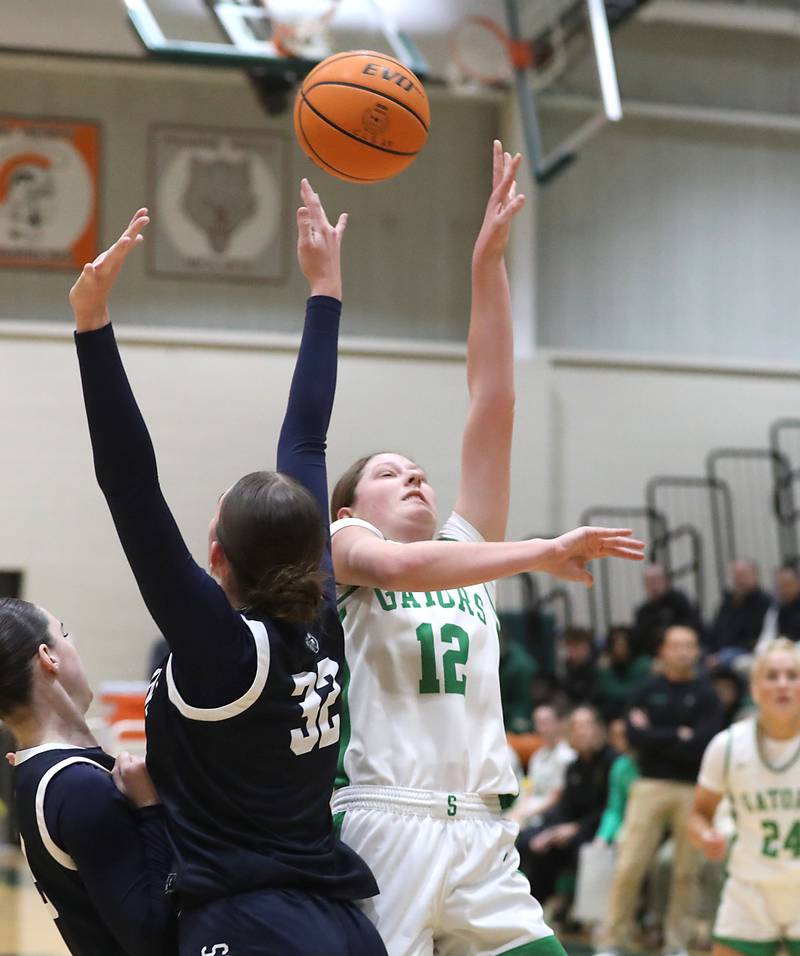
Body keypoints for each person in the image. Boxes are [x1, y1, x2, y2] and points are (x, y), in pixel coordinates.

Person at [329, 141, 644, 956]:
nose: (415, 476)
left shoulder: (468, 549)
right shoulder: (344, 549)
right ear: (350, 502)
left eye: (420, 471)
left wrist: (488, 261)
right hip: (384, 823)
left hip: (481, 832)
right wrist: (538, 551)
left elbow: (494, 399)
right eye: (391, 472)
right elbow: (400, 568)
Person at [70, 191, 386, 955]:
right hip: (344, 924)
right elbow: (306, 440)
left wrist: (92, 323)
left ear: (217, 559)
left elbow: (131, 484)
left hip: (251, 924)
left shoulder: (224, 651)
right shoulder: (317, 621)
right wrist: (324, 290)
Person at [0, 598, 174, 956]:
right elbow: (152, 939)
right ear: (49, 657)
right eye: (65, 634)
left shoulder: (38, 772)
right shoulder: (79, 787)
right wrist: (151, 809)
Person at [594, 625, 723, 956]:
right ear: (662, 651)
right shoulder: (644, 689)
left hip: (693, 788)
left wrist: (656, 734)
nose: (682, 652)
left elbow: (703, 744)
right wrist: (678, 735)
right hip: (648, 783)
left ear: (697, 652)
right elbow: (635, 738)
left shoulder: (707, 695)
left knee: (686, 871)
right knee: (629, 865)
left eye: (689, 645)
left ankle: (677, 943)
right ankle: (612, 940)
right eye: (676, 645)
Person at [689, 638, 800, 956]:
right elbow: (699, 814)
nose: (783, 684)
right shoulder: (727, 746)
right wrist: (705, 835)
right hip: (750, 890)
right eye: (772, 676)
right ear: (754, 688)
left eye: (792, 676)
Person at [518, 707, 616, 914]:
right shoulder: (574, 766)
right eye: (576, 727)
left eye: (586, 725)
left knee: (574, 846)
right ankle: (533, 909)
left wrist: (574, 828)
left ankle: (572, 910)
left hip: (600, 828)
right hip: (572, 827)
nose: (581, 732)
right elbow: (565, 807)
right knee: (534, 841)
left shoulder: (611, 762)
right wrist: (551, 831)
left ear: (598, 728)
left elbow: (609, 808)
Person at [506, 704, 575, 829]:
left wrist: (525, 815)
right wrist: (518, 811)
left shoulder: (566, 756)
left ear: (558, 723)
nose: (542, 728)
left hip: (549, 813)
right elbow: (529, 790)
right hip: (530, 806)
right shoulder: (538, 755)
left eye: (546, 723)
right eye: (538, 723)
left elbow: (556, 797)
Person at [707, 559, 771, 666]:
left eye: (742, 574)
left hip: (747, 651)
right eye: (735, 575)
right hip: (721, 650)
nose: (738, 579)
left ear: (755, 575)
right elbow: (714, 631)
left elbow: (756, 637)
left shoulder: (764, 602)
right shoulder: (727, 602)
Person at [631, 564, 697, 658]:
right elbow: (639, 642)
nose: (654, 584)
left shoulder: (680, 602)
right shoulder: (642, 612)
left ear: (667, 581)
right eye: (650, 581)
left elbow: (692, 629)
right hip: (653, 657)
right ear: (645, 585)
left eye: (657, 579)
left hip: (682, 652)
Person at [596, 626, 651, 721]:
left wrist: (606, 673)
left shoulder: (643, 664)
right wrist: (605, 672)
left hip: (637, 709)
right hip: (612, 712)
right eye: (615, 644)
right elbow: (607, 692)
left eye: (622, 644)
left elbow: (636, 692)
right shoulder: (605, 665)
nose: (619, 648)